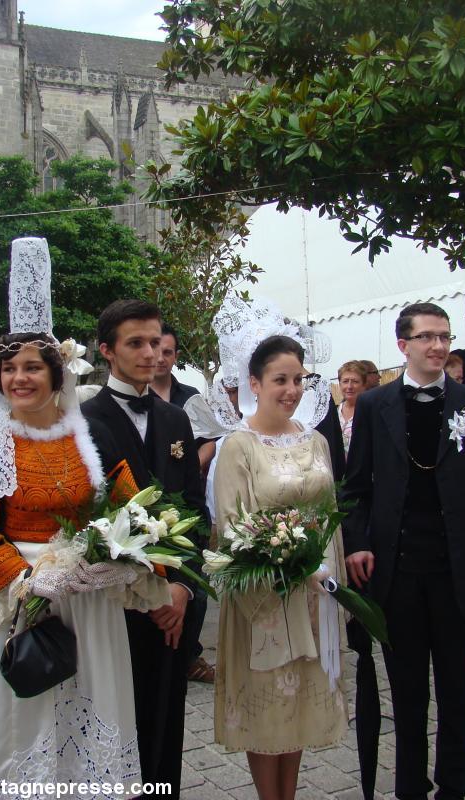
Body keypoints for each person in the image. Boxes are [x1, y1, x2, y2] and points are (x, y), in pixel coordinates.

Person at [0, 239, 154, 793]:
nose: (19, 379)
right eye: (8, 369)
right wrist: (28, 578)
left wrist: (124, 559)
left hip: (89, 598)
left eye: (32, 366)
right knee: (19, 723)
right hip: (19, 603)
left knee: (91, 710)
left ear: (58, 374)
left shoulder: (93, 433)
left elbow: (136, 509)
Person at [341, 303, 465, 800]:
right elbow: (355, 487)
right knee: (407, 691)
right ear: (403, 344)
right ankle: (409, 786)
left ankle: (455, 786)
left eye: (445, 337)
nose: (437, 346)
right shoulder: (375, 405)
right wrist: (358, 544)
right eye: (427, 337)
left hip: (458, 569)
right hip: (396, 571)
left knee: (456, 689)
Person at [82, 299, 207, 799]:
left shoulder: (177, 419)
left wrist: (178, 589)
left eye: (155, 342)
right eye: (135, 342)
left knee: (165, 714)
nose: (149, 352)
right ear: (107, 350)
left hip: (171, 604)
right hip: (113, 601)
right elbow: (84, 520)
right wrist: (142, 585)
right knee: (114, 714)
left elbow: (196, 509)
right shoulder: (85, 420)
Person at [213, 334, 346, 800]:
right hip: (264, 596)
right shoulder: (238, 446)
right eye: (279, 380)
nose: (291, 390)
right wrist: (282, 562)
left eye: (298, 380)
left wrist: (330, 581)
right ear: (255, 382)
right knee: (269, 707)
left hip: (314, 591)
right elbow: (231, 529)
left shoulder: (317, 441)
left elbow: (331, 517)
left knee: (300, 707)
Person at [148, 324, 215, 684]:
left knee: (193, 583)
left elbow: (208, 441)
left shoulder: (188, 398)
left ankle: (190, 652)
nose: (160, 358)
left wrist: (191, 462)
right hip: (148, 505)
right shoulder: (138, 395)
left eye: (169, 352)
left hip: (185, 502)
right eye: (156, 348)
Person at [337, 360, 368, 457]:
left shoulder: (369, 414)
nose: (349, 386)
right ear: (340, 384)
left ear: (363, 385)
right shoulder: (333, 413)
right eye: (345, 381)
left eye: (355, 382)